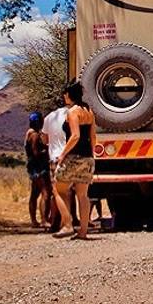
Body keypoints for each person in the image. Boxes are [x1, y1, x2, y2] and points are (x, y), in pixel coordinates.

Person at [51, 83, 96, 240]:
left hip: (73, 156)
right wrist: (91, 154)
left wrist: (63, 154)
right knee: (82, 195)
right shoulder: (89, 111)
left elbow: (75, 135)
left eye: (65, 94)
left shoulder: (72, 112)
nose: (64, 97)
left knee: (58, 189)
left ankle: (68, 224)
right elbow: (93, 136)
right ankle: (83, 232)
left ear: (69, 95)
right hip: (87, 157)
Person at [42, 103, 71, 232]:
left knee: (57, 192)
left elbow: (45, 139)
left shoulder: (49, 117)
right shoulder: (74, 115)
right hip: (71, 156)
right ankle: (74, 221)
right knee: (73, 193)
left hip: (56, 158)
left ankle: (58, 222)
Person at [25, 112, 51, 229]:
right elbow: (35, 152)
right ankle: (44, 220)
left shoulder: (28, 133)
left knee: (34, 194)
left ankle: (33, 220)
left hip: (33, 166)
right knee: (45, 193)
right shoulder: (34, 135)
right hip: (38, 167)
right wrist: (46, 150)